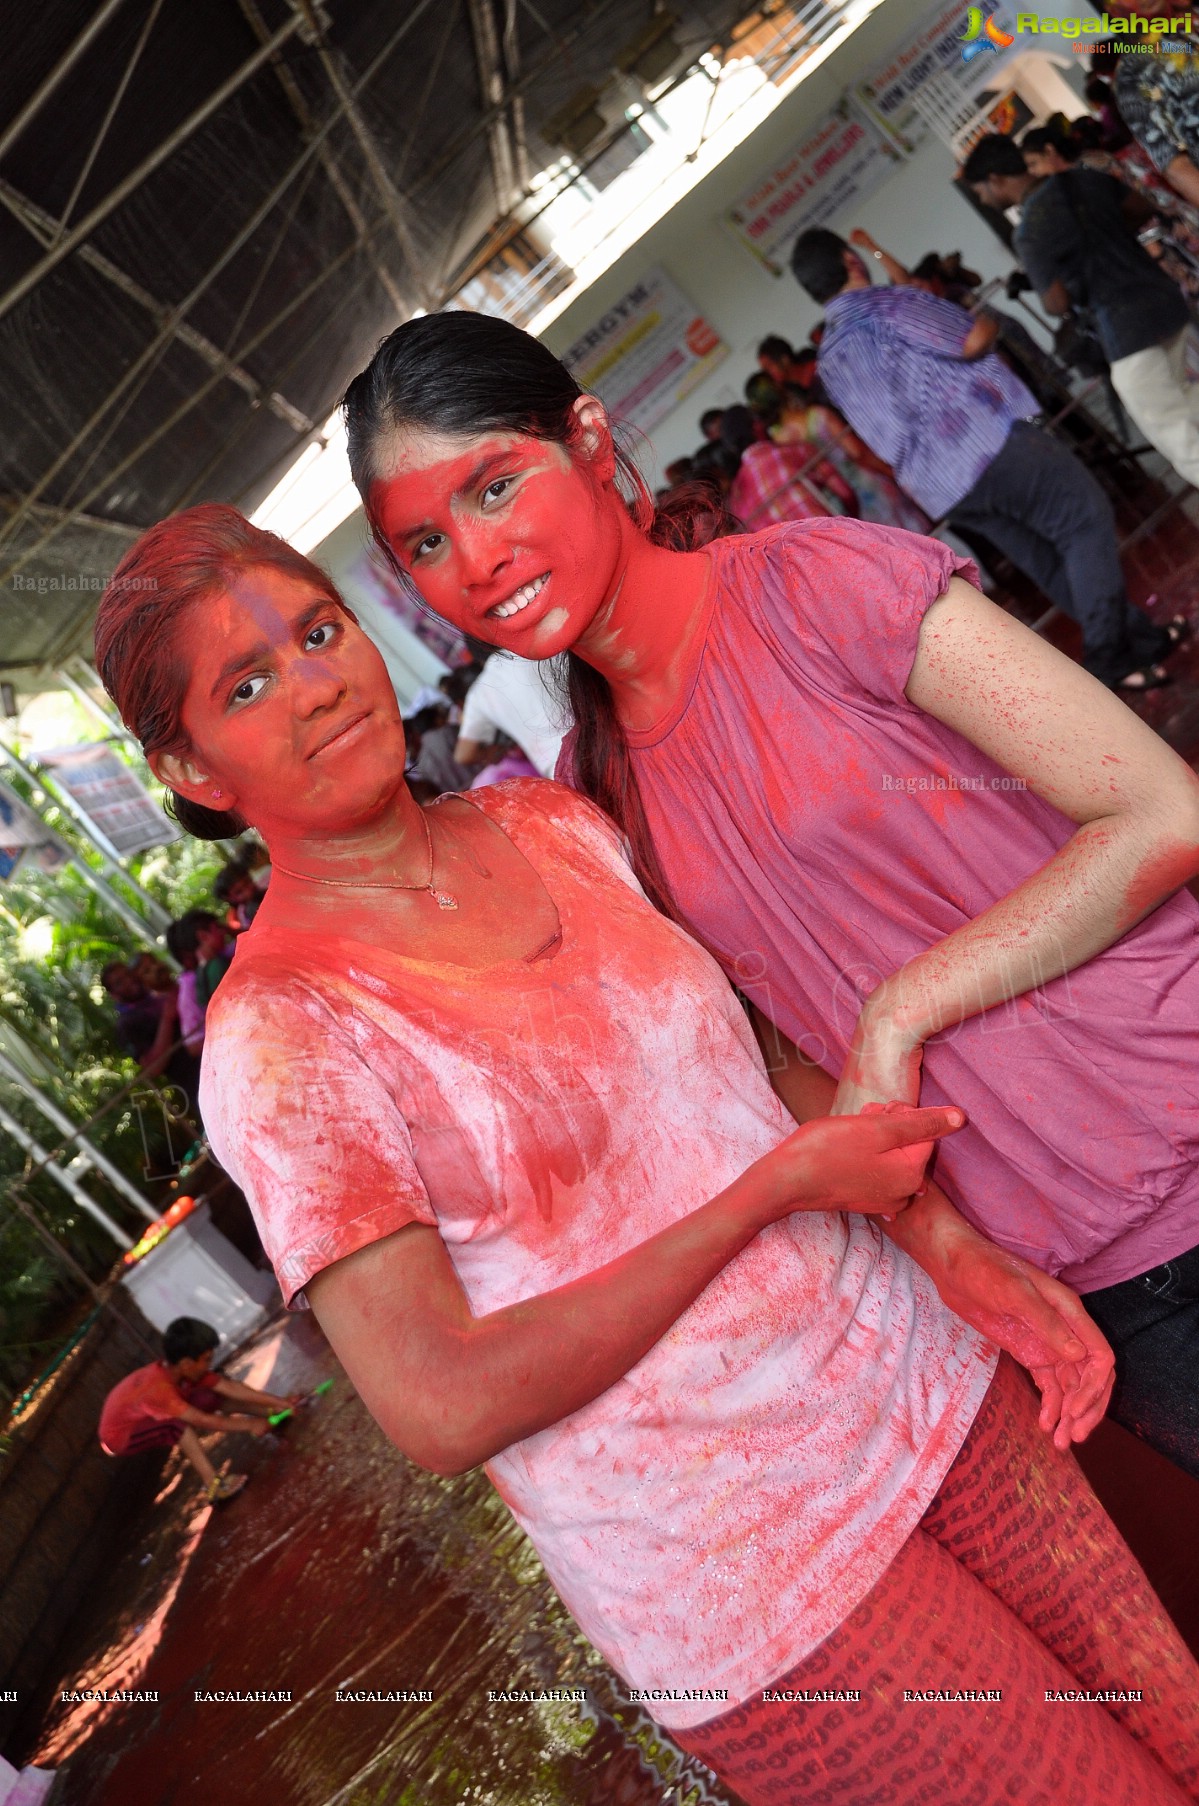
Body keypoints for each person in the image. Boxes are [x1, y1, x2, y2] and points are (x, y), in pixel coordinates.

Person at [94, 504, 1198, 1806]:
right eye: (247, 683)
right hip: (749, 1580)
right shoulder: (283, 1035)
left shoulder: (552, 826)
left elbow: (757, 1074)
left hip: (931, 1394)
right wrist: (762, 1199)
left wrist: (948, 1250)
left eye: (319, 631)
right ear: (194, 769)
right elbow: (441, 1401)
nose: (317, 685)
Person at [345, 309, 1199, 1483]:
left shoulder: (814, 585)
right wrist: (946, 1246)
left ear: (590, 443)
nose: (475, 559)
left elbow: (1158, 812)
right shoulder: (596, 801)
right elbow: (778, 1055)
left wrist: (904, 1006)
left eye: (493, 487)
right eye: (424, 544)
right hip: (1073, 1261)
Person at [789, 225, 1182, 692]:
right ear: (851, 260)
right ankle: (1107, 657)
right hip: (984, 446)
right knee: (1083, 520)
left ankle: (1141, 643)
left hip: (939, 484)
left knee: (1048, 558)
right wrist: (990, 324)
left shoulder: (829, 356)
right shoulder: (888, 304)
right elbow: (972, 339)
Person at [962, 132, 1199, 495]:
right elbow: (1140, 208)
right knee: (1184, 395)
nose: (982, 197)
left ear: (995, 180)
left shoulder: (1030, 231)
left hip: (1124, 329)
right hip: (1163, 302)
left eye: (980, 189)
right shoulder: (1085, 179)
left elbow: (1055, 303)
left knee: (1174, 434)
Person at [98, 1316, 297, 1502]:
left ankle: (272, 1413)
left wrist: (279, 1402)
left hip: (145, 1414)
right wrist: (249, 1424)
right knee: (175, 1427)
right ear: (186, 1363)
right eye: (207, 1359)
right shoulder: (159, 1390)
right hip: (119, 1437)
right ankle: (214, 1486)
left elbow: (229, 1388)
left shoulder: (183, 1372)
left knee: (210, 1397)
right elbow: (201, 1420)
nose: (209, 1365)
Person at [747, 366, 930, 534]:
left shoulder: (778, 447)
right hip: (866, 488)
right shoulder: (818, 417)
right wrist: (890, 472)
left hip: (840, 509)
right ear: (781, 390)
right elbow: (857, 453)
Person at [101, 957, 202, 1118]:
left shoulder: (158, 995)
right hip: (196, 1081)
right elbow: (152, 1068)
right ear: (114, 994)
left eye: (128, 974)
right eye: (120, 982)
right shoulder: (126, 1025)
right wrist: (167, 1020)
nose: (129, 980)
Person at [454, 646, 568, 779]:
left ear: (477, 659)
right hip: (589, 735)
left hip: (554, 764)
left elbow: (463, 754)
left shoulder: (479, 692)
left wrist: (493, 752)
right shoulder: (534, 649)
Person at [213, 858, 265, 931]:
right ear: (230, 898)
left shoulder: (267, 887)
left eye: (247, 882)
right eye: (239, 892)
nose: (248, 891)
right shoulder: (245, 914)